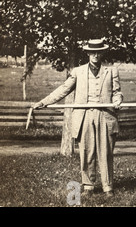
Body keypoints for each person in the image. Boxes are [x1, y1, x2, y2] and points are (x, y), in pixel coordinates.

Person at [33, 39, 123, 197]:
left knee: (105, 152)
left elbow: (117, 92)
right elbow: (63, 89)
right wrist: (43, 102)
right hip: (84, 115)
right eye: (92, 52)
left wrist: (117, 100)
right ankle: (88, 185)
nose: (95, 55)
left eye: (98, 52)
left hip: (105, 115)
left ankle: (108, 187)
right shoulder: (78, 71)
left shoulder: (111, 71)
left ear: (102, 53)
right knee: (87, 151)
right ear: (88, 53)